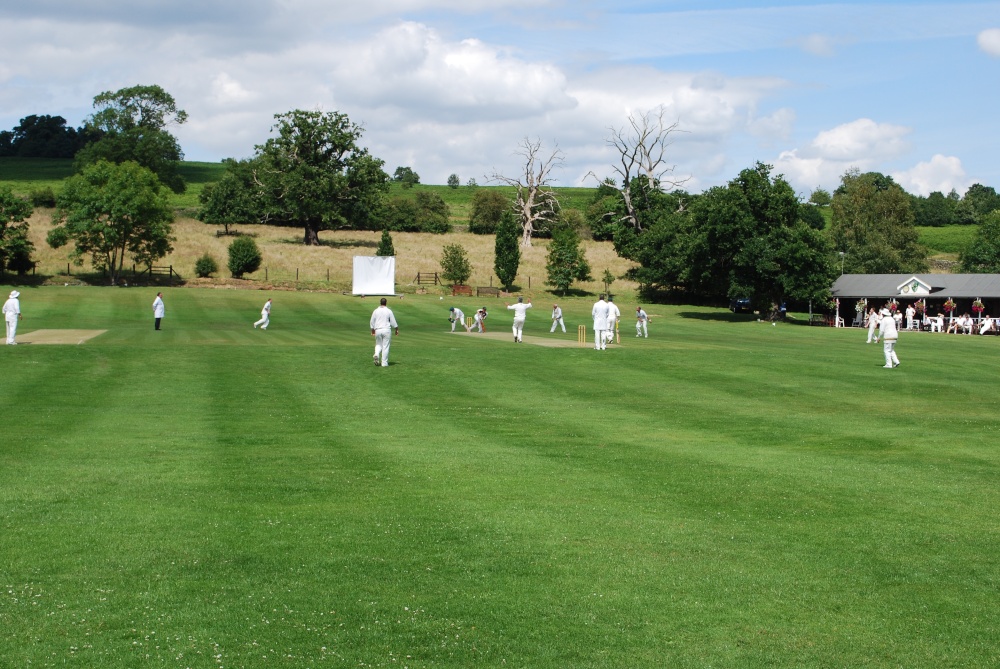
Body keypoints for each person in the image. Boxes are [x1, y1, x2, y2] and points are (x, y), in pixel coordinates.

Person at [370, 297, 399, 367]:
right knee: (385, 346)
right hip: (386, 330)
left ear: (380, 303)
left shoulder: (376, 311)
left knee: (378, 344)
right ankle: (384, 363)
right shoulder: (389, 311)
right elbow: (393, 321)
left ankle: (377, 354)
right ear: (386, 303)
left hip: (378, 330)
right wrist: (396, 329)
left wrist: (372, 330)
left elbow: (372, 321)